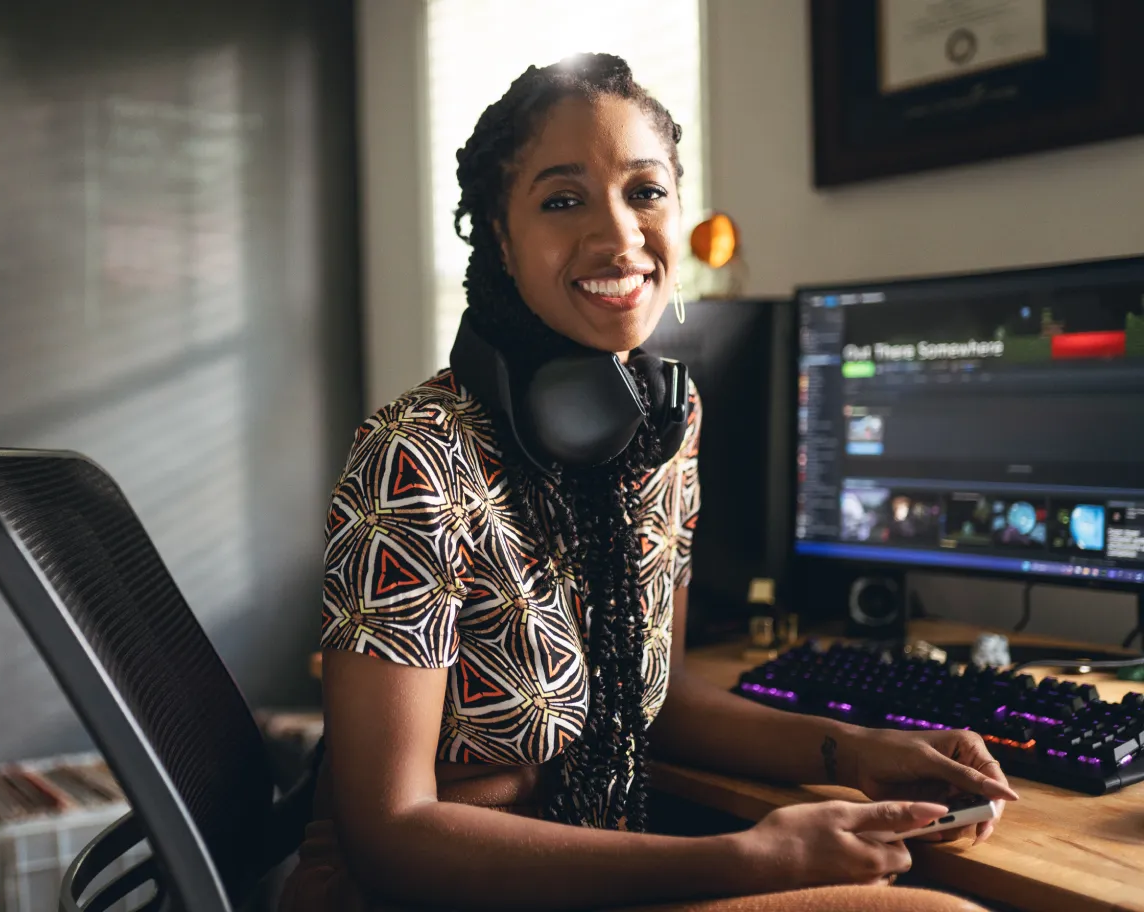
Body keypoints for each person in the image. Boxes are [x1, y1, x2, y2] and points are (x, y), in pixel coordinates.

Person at [280, 54, 1015, 912]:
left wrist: (852, 751)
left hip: (603, 875)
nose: (619, 235)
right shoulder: (415, 456)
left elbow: (649, 701)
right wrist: (743, 859)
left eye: (645, 191)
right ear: (501, 238)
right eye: (563, 200)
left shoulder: (664, 423)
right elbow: (389, 834)